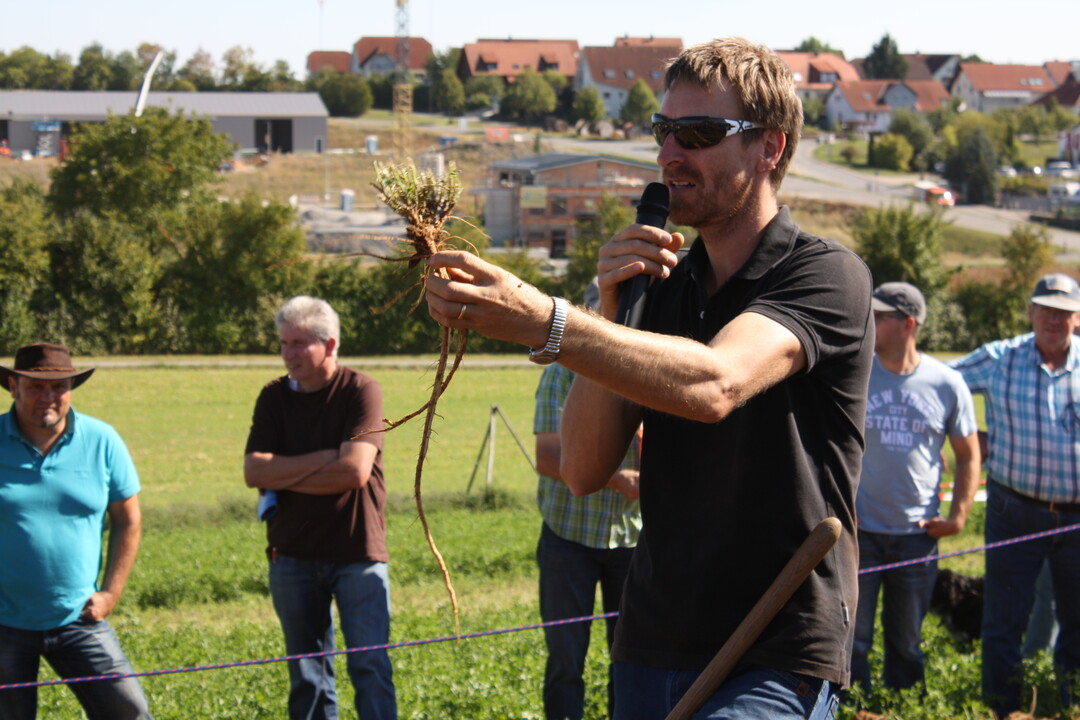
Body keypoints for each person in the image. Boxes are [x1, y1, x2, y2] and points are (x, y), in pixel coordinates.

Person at [423, 37, 873, 720]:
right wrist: (613, 308)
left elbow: (714, 384)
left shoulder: (824, 275)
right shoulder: (660, 289)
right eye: (665, 130)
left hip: (775, 646)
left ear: (770, 147)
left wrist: (549, 322)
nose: (669, 154)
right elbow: (581, 467)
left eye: (698, 133)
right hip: (652, 640)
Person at [243, 295, 397, 720]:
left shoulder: (361, 391)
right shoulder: (273, 397)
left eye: (299, 343)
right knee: (308, 675)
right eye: (283, 343)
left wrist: (287, 472)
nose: (287, 353)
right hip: (291, 554)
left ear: (329, 345)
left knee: (370, 665)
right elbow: (254, 472)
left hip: (357, 553)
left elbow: (353, 473)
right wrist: (325, 458)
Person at [949, 272, 1080, 717]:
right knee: (1004, 621)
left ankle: (1069, 706)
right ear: (1031, 312)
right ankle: (1000, 708)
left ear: (1076, 318)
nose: (1054, 319)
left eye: (1063, 312)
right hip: (1014, 511)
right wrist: (970, 437)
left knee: (1078, 625)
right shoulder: (1000, 358)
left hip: (1078, 521)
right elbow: (937, 387)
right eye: (1046, 308)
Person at [0, 342, 152, 719]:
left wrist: (110, 593)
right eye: (36, 386)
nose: (48, 397)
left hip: (79, 616)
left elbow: (128, 518)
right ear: (13, 386)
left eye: (59, 386)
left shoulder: (102, 441)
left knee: (130, 712)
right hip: (4, 623)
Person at [849, 283, 980, 696]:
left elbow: (969, 455)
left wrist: (958, 516)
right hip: (860, 533)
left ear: (908, 324)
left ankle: (902, 704)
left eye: (880, 316)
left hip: (916, 537)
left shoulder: (946, 383)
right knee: (853, 637)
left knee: (906, 641)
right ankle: (850, 703)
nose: (870, 322)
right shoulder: (857, 373)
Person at [534, 280, 641, 720]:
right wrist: (617, 479)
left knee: (632, 658)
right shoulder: (560, 372)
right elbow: (546, 457)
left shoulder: (647, 371)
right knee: (565, 659)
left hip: (631, 541)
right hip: (569, 538)